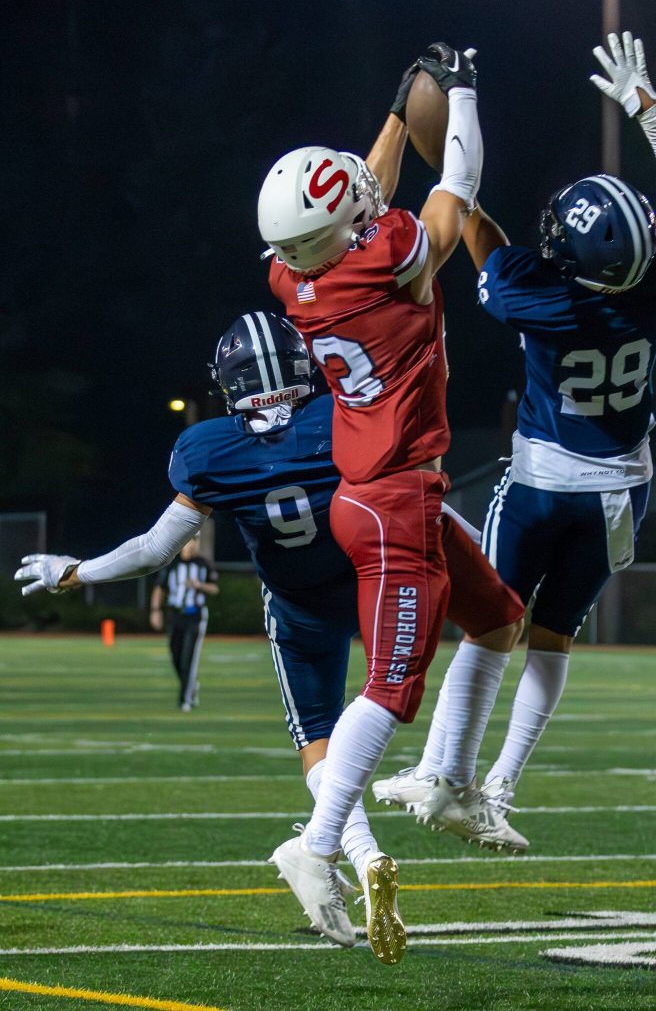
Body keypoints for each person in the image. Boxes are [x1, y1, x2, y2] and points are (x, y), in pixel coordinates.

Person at [15, 309, 524, 957]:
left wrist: (76, 572)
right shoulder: (338, 417)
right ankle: (434, 785)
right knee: (415, 676)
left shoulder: (207, 449)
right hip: (374, 571)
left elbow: (152, 549)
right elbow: (404, 489)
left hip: (298, 603)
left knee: (317, 738)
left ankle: (357, 855)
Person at [374, 32, 656, 843]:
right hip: (620, 490)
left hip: (538, 487)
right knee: (553, 638)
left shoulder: (543, 299)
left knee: (491, 623)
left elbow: (486, 250)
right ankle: (498, 788)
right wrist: (646, 106)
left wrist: (461, 194)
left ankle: (446, 772)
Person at [258, 42, 524, 964]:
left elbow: (357, 200)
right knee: (388, 690)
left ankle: (450, 782)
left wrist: (385, 119)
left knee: (497, 617)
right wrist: (461, 93)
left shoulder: (293, 278)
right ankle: (317, 843)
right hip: (394, 498)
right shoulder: (388, 263)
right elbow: (459, 180)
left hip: (376, 492)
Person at [149, 534, 219, 710]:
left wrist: (200, 586)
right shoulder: (171, 564)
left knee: (189, 658)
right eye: (189, 542)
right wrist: (155, 611)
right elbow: (159, 588)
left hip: (195, 616)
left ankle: (185, 700)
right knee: (176, 657)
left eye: (195, 542)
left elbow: (215, 588)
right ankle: (191, 687)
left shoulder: (204, 564)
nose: (191, 546)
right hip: (175, 615)